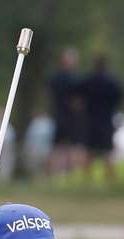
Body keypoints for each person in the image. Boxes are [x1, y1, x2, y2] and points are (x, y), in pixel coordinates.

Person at [80, 56, 122, 184]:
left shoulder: (89, 81)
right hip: (105, 120)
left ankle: (87, 180)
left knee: (88, 151)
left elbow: (77, 93)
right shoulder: (111, 82)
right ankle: (109, 180)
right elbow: (119, 97)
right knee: (107, 151)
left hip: (90, 120)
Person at [48, 48, 88, 179]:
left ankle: (56, 177)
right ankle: (69, 177)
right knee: (72, 148)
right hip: (70, 117)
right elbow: (78, 101)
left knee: (58, 148)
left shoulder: (55, 78)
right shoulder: (75, 80)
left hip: (59, 115)